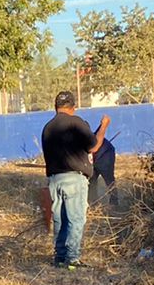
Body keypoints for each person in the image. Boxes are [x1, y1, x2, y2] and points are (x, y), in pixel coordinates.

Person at [40, 92, 110, 268]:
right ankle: (72, 259)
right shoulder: (76, 122)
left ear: (55, 107)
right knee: (76, 218)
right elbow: (94, 146)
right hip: (74, 179)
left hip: (55, 180)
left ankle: (60, 257)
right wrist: (104, 126)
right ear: (73, 108)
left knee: (60, 219)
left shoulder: (48, 128)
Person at [88, 135, 118, 206]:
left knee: (108, 179)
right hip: (95, 157)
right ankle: (93, 203)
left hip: (105, 154)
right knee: (92, 180)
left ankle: (114, 202)